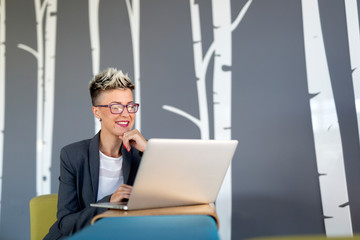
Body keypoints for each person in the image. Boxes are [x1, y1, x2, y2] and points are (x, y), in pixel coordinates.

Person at [45, 68, 147, 239]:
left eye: (130, 106)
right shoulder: (72, 156)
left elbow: (178, 194)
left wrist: (148, 151)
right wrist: (109, 203)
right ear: (97, 112)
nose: (126, 113)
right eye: (116, 107)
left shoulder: (142, 154)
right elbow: (66, 223)